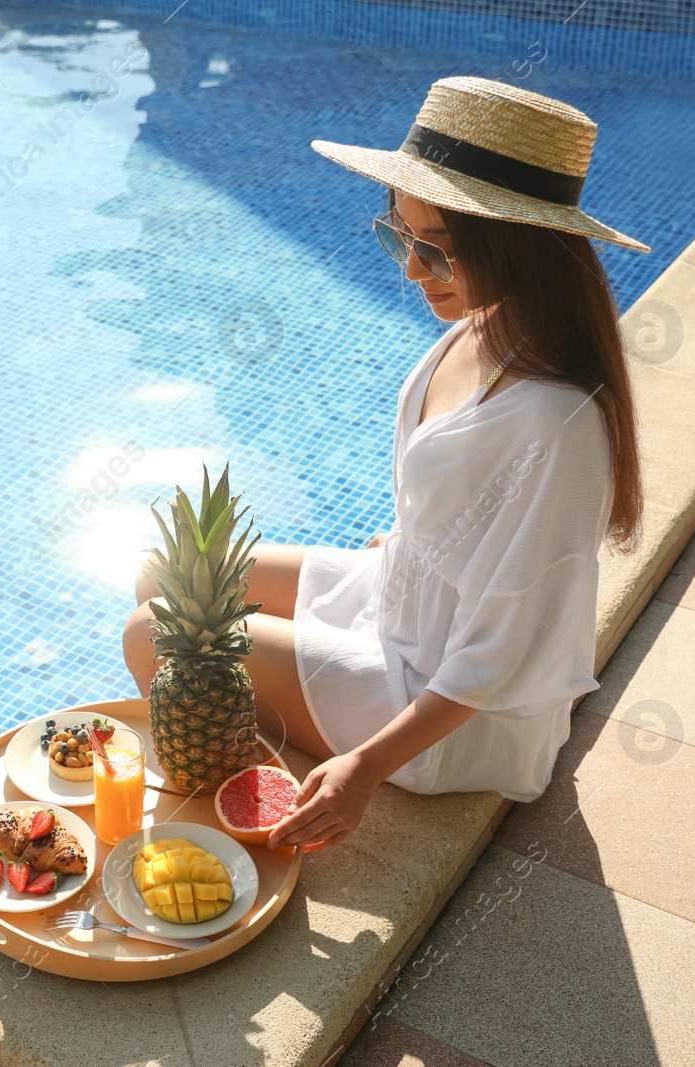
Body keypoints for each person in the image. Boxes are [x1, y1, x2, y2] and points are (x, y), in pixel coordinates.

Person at [123, 75, 650, 851]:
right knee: (165, 575)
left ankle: (236, 792)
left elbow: (505, 646)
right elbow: (467, 493)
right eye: (398, 235)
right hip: (400, 597)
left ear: (517, 247)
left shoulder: (558, 422)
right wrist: (411, 537)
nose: (409, 270)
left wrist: (365, 767)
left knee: (150, 636)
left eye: (433, 249)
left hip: (450, 704)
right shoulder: (489, 324)